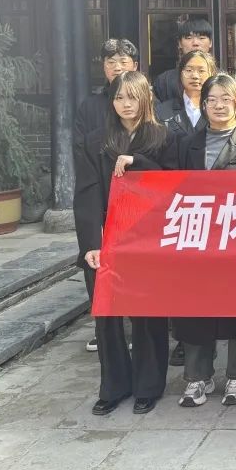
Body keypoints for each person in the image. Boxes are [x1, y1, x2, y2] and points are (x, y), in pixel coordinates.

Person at [74, 71, 177, 416]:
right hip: (107, 239)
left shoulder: (164, 136)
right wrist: (91, 243)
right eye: (119, 98)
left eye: (132, 97)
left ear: (146, 98)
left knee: (148, 314)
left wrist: (139, 162)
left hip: (148, 239)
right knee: (107, 315)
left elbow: (175, 184)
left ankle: (148, 385)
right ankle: (113, 386)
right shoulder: (96, 140)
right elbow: (86, 192)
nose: (125, 104)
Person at [176, 73, 236, 408]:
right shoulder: (187, 143)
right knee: (195, 308)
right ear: (203, 105)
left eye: (226, 99)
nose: (219, 105)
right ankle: (197, 376)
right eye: (212, 100)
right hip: (198, 237)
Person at [73, 38, 140, 355]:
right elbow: (80, 151)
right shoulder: (90, 106)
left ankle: (140, 326)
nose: (117, 67)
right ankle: (106, 330)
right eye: (111, 62)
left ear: (135, 66)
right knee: (98, 264)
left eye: (123, 61)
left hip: (138, 207)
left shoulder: (148, 109)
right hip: (101, 193)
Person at [156, 50, 217, 138]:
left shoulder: (220, 109)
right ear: (180, 74)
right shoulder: (162, 111)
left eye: (201, 71)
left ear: (212, 74)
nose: (195, 76)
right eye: (189, 70)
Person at [153, 18, 214, 103]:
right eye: (189, 38)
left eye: (201, 38)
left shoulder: (221, 78)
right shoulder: (164, 81)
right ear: (179, 43)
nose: (195, 43)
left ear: (210, 43)